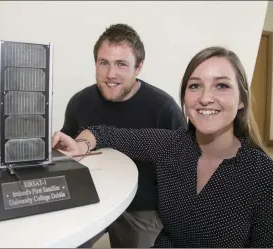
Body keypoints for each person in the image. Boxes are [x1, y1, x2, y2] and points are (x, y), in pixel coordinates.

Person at [53, 46, 273, 248]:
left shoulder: (268, 178)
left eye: (221, 85)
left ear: (241, 100)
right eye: (195, 86)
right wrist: (80, 143)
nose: (206, 97)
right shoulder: (171, 145)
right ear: (185, 99)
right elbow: (105, 133)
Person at [57, 23, 188, 247]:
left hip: (142, 207)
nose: (110, 74)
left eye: (121, 64)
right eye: (104, 63)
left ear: (138, 68)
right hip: (89, 198)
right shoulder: (79, 102)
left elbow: (184, 168)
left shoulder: (164, 109)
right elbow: (66, 151)